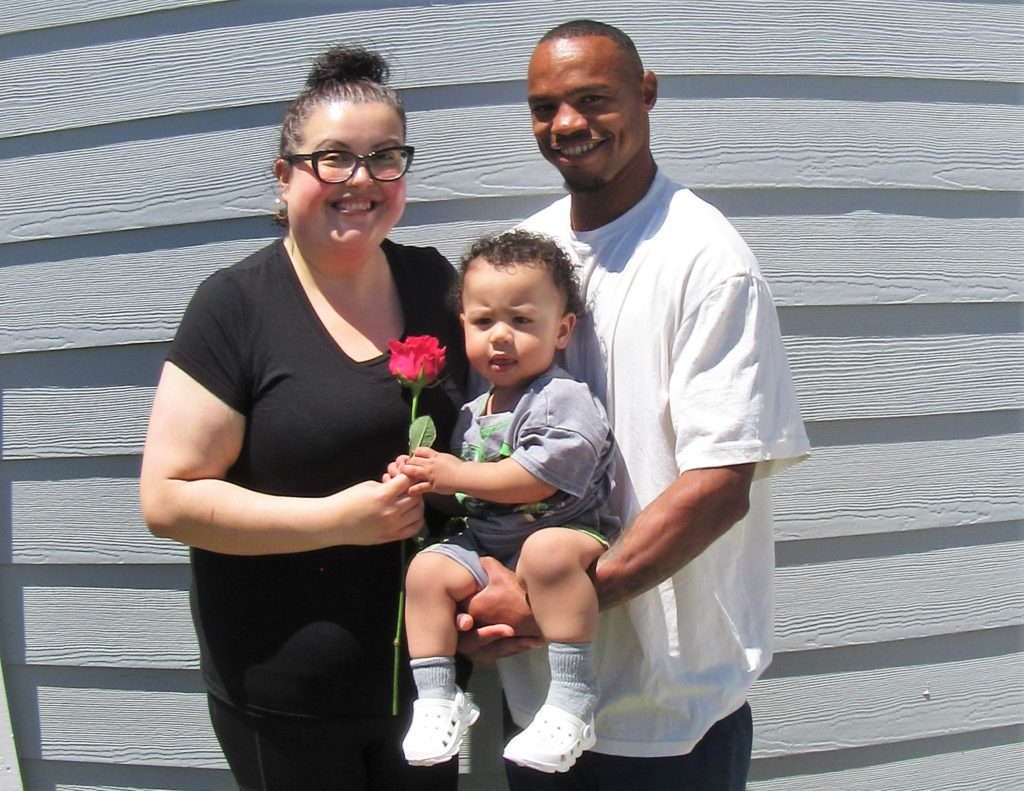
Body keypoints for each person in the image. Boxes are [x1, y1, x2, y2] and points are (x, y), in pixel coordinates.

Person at [456, 20, 811, 790]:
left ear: (646, 93)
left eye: (592, 99)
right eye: (545, 107)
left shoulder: (705, 260)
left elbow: (718, 487)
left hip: (667, 713)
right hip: (536, 696)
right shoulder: (524, 258)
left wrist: (553, 606)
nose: (567, 124)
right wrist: (485, 594)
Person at [139, 45, 468, 791]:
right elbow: (168, 498)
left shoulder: (434, 283)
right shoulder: (236, 306)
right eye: (333, 158)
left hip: (427, 693)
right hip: (285, 699)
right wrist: (336, 520)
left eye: (385, 157)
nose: (361, 179)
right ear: (285, 176)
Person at [395, 230, 620, 774]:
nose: (500, 336)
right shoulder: (476, 410)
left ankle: (572, 699)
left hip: (568, 530)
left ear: (562, 329)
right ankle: (438, 697)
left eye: (521, 320)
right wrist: (426, 481)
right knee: (426, 571)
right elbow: (470, 494)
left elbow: (540, 478)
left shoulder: (561, 397)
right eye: (483, 322)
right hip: (491, 542)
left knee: (545, 553)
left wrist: (456, 472)